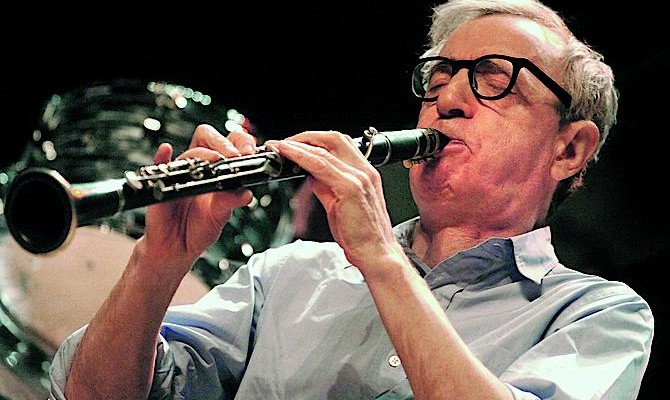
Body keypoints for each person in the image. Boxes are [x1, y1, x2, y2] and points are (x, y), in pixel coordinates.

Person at [48, 0, 654, 398]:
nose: (446, 100)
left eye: (493, 80)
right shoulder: (285, 276)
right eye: (438, 79)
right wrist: (158, 261)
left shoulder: (599, 316)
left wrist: (383, 262)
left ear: (569, 149)